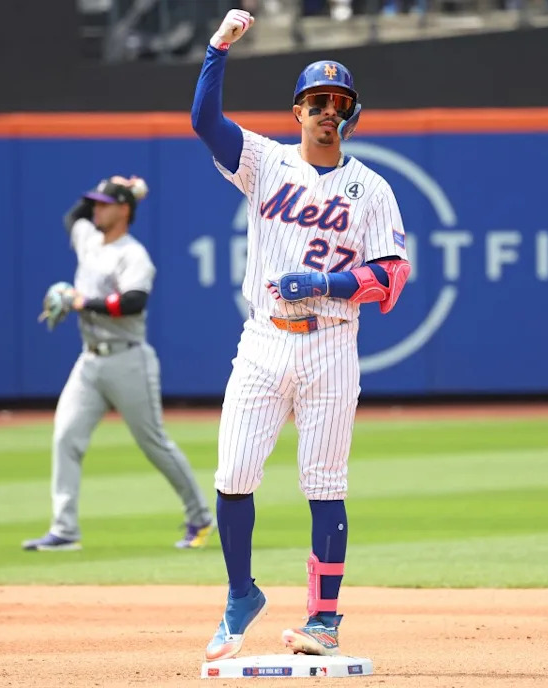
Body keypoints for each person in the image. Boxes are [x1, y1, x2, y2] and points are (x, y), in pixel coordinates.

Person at [191, 9, 411, 660]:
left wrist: (326, 284)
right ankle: (241, 595)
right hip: (263, 340)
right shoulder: (263, 163)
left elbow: (392, 280)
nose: (326, 111)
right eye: (316, 100)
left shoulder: (371, 188)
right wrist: (216, 50)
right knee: (233, 474)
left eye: (337, 103)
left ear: (350, 115)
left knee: (324, 483)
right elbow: (206, 123)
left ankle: (323, 620)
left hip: (330, 343)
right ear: (297, 111)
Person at [22, 176, 215, 552]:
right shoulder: (89, 239)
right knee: (65, 436)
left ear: (123, 210)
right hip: (90, 360)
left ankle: (201, 517)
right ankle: (64, 530)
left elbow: (133, 302)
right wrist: (114, 186)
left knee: (154, 443)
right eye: (95, 203)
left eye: (104, 203)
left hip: (128, 359)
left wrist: (83, 303)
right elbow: (71, 218)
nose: (95, 208)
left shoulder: (133, 254)